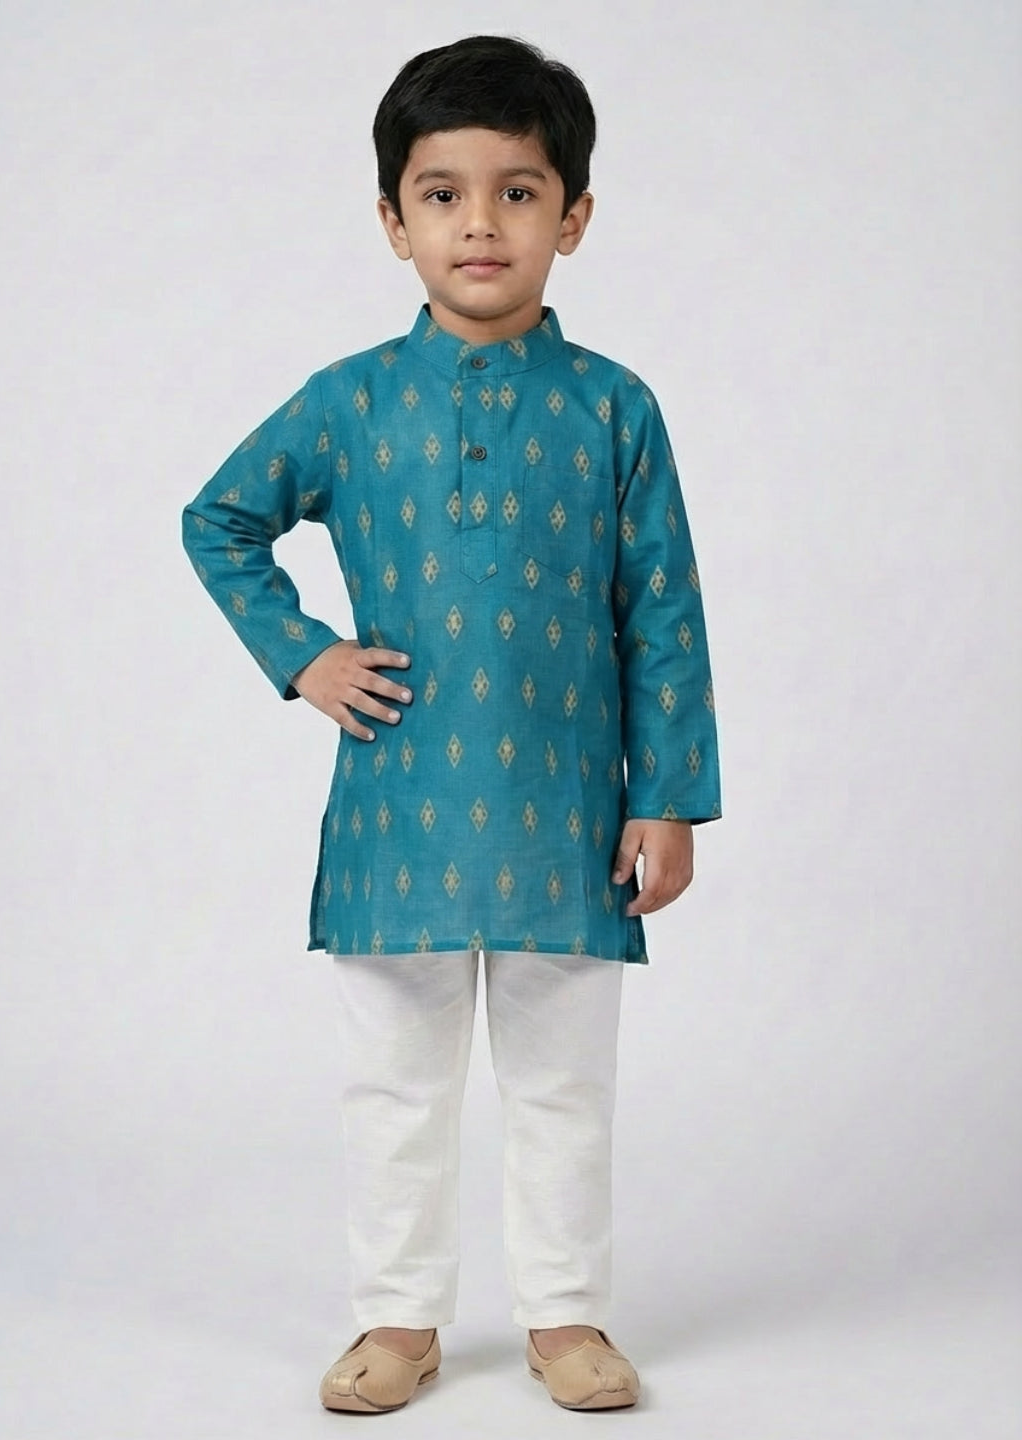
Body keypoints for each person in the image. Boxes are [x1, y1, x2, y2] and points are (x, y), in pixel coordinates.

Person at [181, 33, 721, 1414]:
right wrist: (305, 656)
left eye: (517, 191)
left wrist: (666, 797)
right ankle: (398, 1319)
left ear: (572, 218)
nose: (480, 223)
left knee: (563, 1089)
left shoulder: (614, 408)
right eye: (442, 194)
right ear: (393, 220)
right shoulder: (350, 401)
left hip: (567, 820)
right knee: (395, 1089)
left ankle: (565, 1319)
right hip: (397, 819)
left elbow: (663, 609)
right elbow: (220, 520)